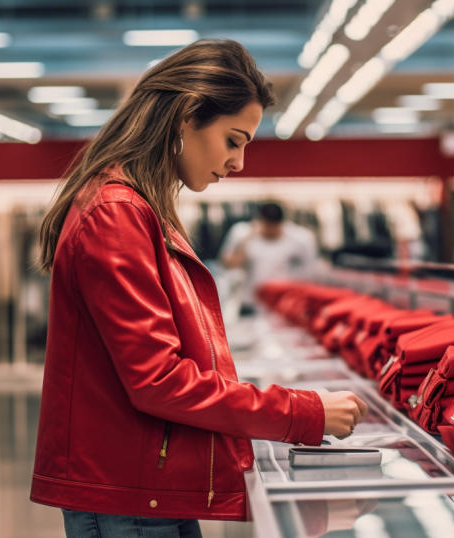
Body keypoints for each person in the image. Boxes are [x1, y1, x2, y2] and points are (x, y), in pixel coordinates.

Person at [30, 39, 369, 538]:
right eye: (234, 140)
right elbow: (159, 380)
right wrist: (301, 413)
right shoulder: (119, 215)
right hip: (129, 494)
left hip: (141, 482)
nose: (239, 163)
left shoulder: (140, 209)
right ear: (187, 116)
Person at [219, 201, 318, 314]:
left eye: (274, 227)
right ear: (261, 221)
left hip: (282, 304)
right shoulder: (242, 233)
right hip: (250, 303)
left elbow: (309, 273)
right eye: (268, 226)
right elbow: (227, 265)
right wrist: (247, 240)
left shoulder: (300, 238)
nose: (271, 230)